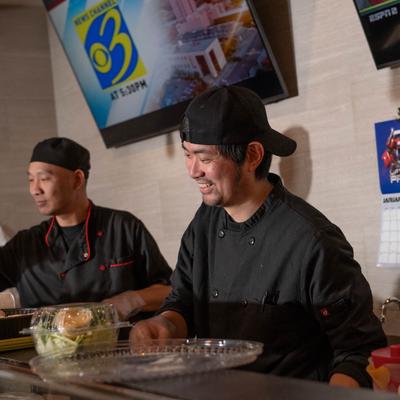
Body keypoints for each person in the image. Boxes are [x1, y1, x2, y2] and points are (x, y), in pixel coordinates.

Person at [130, 86, 387, 388]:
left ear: (252, 155)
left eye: (204, 157)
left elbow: (359, 351)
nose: (192, 170)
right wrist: (164, 324)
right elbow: (184, 300)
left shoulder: (311, 239)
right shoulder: (203, 224)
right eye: (188, 155)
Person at [0, 137, 172, 320]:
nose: (35, 189)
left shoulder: (123, 227)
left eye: (44, 178)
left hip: (118, 346)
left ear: (77, 179)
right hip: (45, 348)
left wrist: (132, 300)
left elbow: (169, 291)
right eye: (30, 180)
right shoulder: (25, 244)